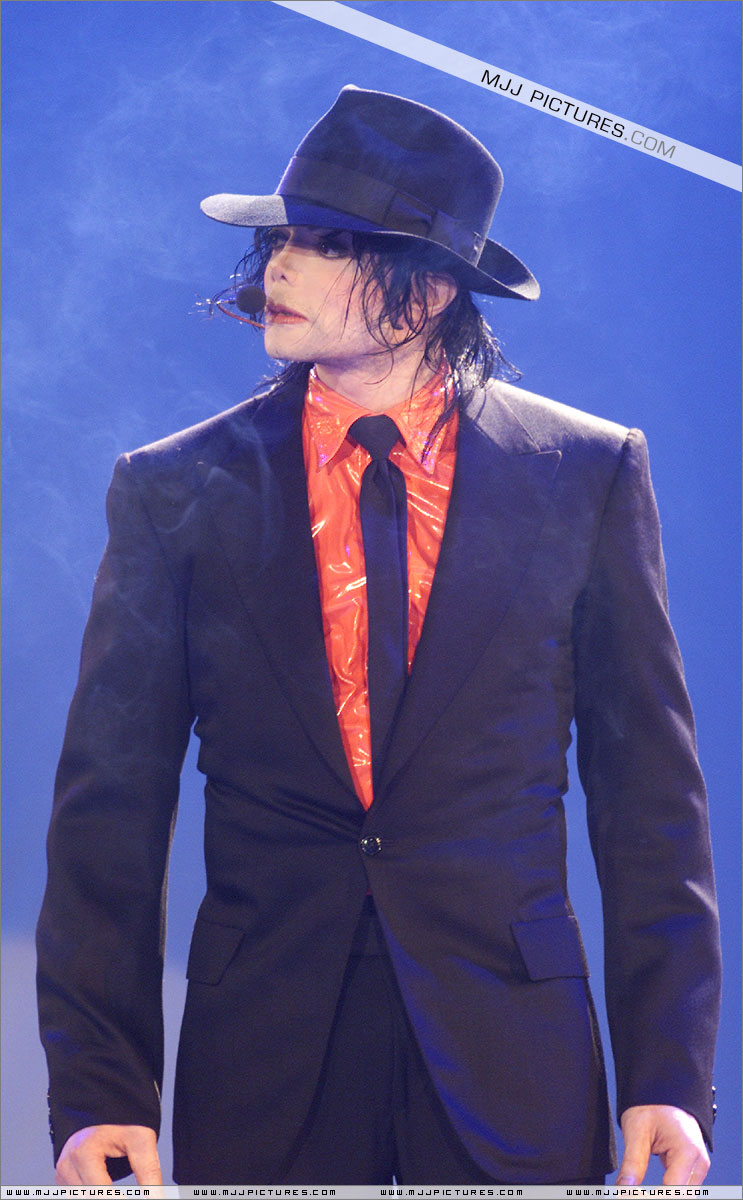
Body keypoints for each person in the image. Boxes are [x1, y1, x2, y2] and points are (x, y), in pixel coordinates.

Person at [36, 85, 721, 1187]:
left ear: (430, 289)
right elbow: (107, 814)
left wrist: (666, 1074)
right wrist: (100, 1087)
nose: (280, 265)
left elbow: (651, 804)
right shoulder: (174, 488)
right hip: (264, 1060)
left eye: (327, 244)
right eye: (282, 239)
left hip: (511, 1055)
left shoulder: (584, 475)